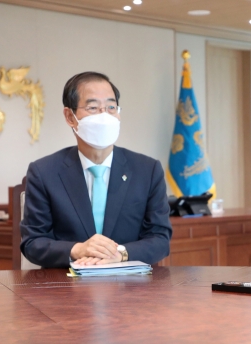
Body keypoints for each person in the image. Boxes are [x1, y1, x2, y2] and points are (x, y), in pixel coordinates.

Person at [20, 71, 172, 268]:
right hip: (65, 288)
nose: (104, 115)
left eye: (111, 107)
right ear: (70, 116)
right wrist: (77, 250)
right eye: (93, 107)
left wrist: (120, 254)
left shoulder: (147, 170)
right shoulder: (44, 172)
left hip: (131, 288)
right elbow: (32, 242)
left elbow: (160, 239)